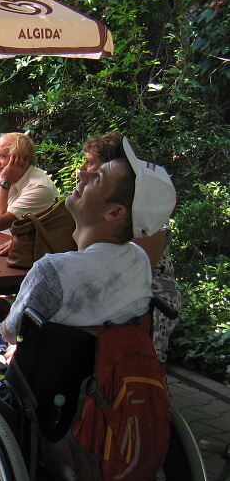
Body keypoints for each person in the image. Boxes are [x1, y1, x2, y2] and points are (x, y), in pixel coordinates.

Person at [0, 136, 176, 392]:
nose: (81, 173)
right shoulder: (138, 260)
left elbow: (10, 333)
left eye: (98, 176)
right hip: (87, 382)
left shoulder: (53, 270)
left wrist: (18, 340)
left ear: (114, 213)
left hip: (34, 386)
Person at [80, 131, 181, 363]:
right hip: (108, 293)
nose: (83, 168)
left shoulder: (145, 215)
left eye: (90, 162)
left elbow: (134, 273)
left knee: (135, 366)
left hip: (150, 300)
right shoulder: (94, 205)